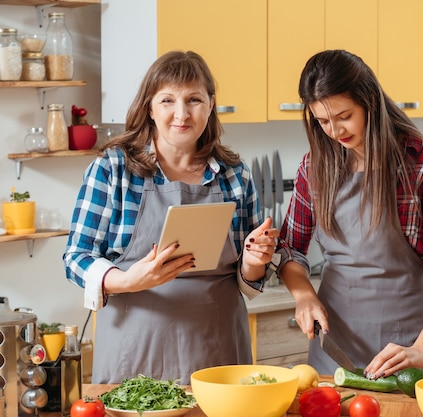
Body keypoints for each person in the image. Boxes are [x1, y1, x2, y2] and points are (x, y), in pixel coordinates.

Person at [63, 50, 278, 384]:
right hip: (134, 352)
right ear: (150, 106)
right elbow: (76, 257)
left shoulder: (235, 175)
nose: (182, 114)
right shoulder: (113, 170)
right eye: (168, 100)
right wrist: (128, 280)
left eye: (193, 99)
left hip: (218, 352)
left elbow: (248, 277)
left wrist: (255, 258)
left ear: (210, 104)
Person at [275, 49, 423, 378]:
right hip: (333, 347)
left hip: (405, 349)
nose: (335, 131)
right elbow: (290, 248)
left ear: (369, 101)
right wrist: (304, 296)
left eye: (344, 116)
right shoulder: (315, 166)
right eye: (323, 121)